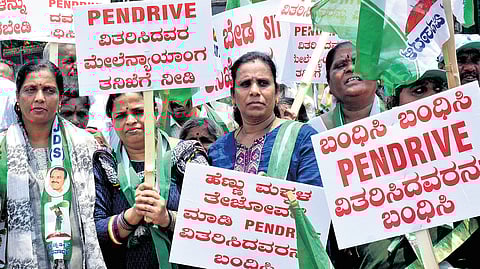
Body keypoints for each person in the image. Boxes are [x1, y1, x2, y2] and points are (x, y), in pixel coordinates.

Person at [0, 61, 105, 268]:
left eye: (48, 90)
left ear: (59, 99)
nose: (39, 98)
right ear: (18, 99)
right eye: (30, 90)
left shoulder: (86, 146)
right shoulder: (2, 149)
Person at [93, 92, 209, 269]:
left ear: (155, 112)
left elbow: (211, 219)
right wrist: (131, 216)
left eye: (139, 111)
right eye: (121, 115)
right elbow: (94, 231)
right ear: (112, 121)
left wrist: (167, 218)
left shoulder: (188, 153)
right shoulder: (104, 163)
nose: (131, 120)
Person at [208, 51, 322, 186]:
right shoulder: (218, 150)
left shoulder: (303, 138)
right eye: (245, 84)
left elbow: (312, 199)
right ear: (233, 96)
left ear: (277, 92)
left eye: (263, 83)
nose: (254, 91)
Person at [309, 41, 385, 133]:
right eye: (341, 65)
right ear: (329, 84)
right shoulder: (314, 130)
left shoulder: (400, 119)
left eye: (359, 62)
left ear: (376, 75)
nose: (351, 68)